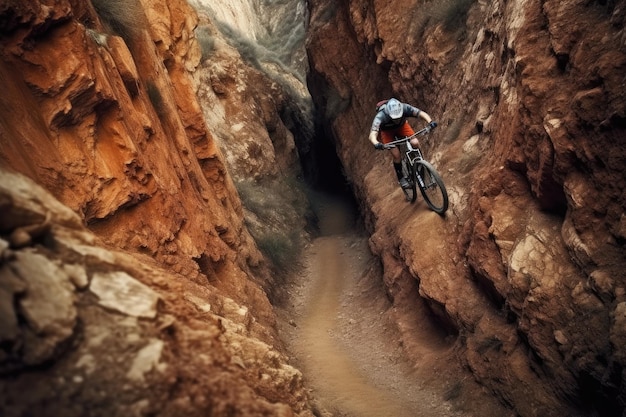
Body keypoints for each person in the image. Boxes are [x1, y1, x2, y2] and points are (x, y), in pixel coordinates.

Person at [369, 98, 437, 188]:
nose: (396, 119)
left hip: (402, 127)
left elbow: (421, 113)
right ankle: (401, 177)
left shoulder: (405, 108)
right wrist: (376, 143)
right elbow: (372, 134)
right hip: (387, 132)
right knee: (396, 155)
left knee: (415, 143)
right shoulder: (381, 116)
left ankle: (421, 163)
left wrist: (430, 122)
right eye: (394, 118)